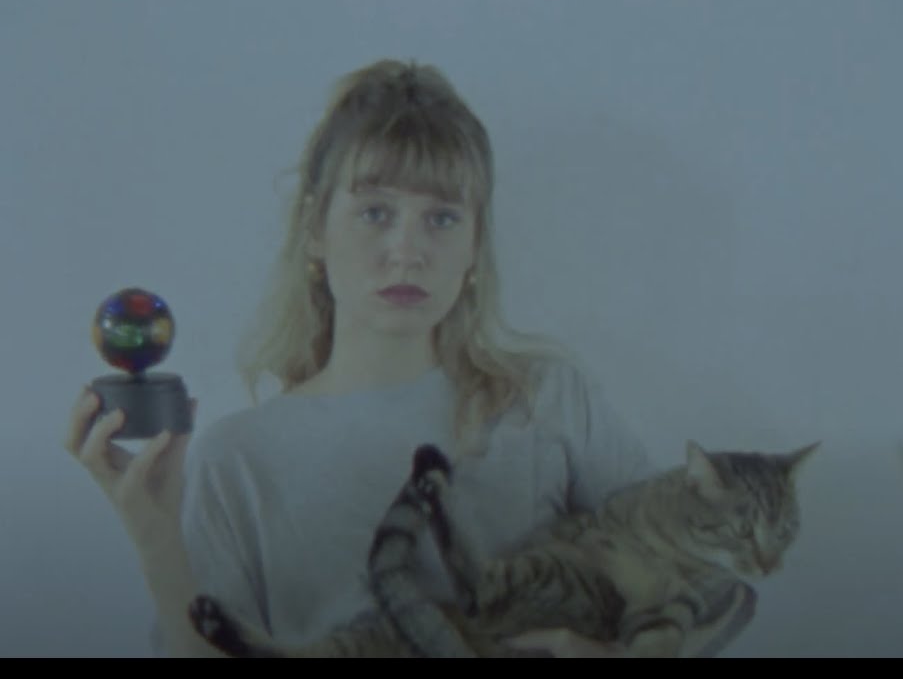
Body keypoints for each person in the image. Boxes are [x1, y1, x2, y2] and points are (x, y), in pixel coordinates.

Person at [65, 58, 754, 658]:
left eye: (442, 218)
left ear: (475, 247)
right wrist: (155, 537)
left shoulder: (549, 400)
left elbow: (714, 586)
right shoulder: (237, 460)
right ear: (315, 229)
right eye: (375, 212)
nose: (408, 250)